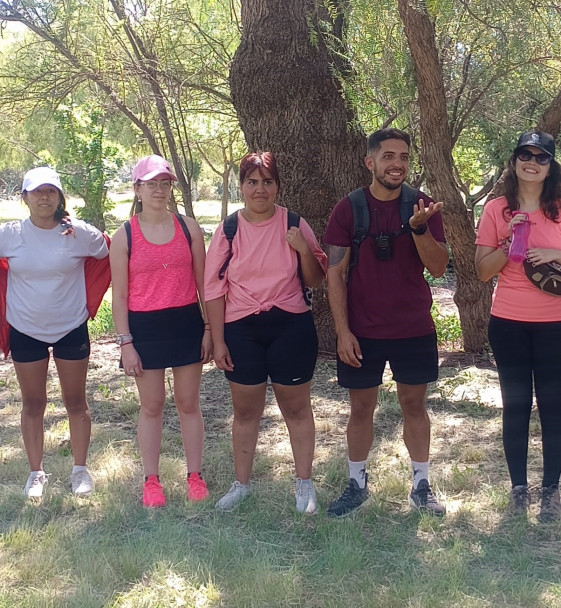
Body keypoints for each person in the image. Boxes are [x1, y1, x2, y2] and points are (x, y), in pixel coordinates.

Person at [323, 128, 449, 517]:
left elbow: (440, 266)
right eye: (389, 156)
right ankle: (357, 484)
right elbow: (334, 275)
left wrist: (419, 228)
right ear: (370, 162)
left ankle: (422, 485)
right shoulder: (349, 209)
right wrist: (343, 332)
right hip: (362, 332)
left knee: (414, 405)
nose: (397, 164)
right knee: (361, 408)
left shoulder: (423, 206)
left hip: (413, 328)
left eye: (404, 157)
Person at [204, 151, 327, 514]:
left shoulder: (294, 223)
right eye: (252, 182)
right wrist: (218, 338)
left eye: (267, 182)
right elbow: (213, 288)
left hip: (290, 325)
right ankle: (241, 484)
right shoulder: (228, 229)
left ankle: (304, 486)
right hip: (241, 329)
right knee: (245, 412)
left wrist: (303, 249)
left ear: (277, 186)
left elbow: (315, 280)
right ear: (241, 186)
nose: (260, 189)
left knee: (296, 408)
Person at [0, 167, 109, 498]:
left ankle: (80, 470)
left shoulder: (79, 233)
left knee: (75, 401)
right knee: (33, 403)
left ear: (59, 196)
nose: (44, 196)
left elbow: (110, 255)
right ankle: (36, 474)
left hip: (70, 327)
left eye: (50, 191)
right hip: (25, 328)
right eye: (36, 192)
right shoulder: (9, 234)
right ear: (25, 198)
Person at [110, 155, 212, 508]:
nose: (159, 189)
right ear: (137, 189)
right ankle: (151, 480)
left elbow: (204, 285)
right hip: (145, 327)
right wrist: (126, 343)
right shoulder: (124, 236)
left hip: (186, 323)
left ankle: (194, 475)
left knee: (188, 403)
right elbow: (119, 295)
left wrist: (209, 328)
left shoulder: (189, 228)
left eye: (164, 183)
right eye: (151, 183)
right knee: (152, 405)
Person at [475, 130, 561, 522]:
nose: (532, 162)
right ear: (514, 162)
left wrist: (554, 252)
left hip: (554, 324)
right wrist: (510, 243)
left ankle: (551, 491)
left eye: (541, 157)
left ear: (550, 166)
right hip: (508, 323)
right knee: (516, 406)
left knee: (553, 407)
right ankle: (519, 490)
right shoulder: (496, 210)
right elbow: (480, 272)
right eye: (525, 154)